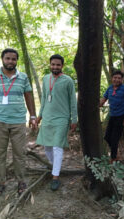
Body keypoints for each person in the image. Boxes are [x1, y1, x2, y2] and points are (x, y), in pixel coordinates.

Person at [0, 48, 37, 196]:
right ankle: (1, 183)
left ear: (16, 61)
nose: (10, 61)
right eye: (8, 58)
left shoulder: (23, 77)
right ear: (2, 59)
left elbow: (29, 97)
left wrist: (32, 116)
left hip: (18, 121)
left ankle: (21, 182)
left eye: (13, 59)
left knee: (20, 154)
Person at [36, 54, 77, 190]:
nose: (55, 67)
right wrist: (39, 116)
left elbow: (73, 101)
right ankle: (56, 167)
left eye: (58, 65)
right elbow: (43, 99)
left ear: (62, 66)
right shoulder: (46, 78)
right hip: (47, 117)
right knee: (47, 147)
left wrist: (74, 119)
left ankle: (55, 177)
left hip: (62, 118)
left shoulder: (68, 81)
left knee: (57, 147)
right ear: (50, 65)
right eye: (53, 64)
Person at [99, 70, 124, 162]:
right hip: (112, 116)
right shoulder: (110, 88)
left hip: (121, 116)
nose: (117, 80)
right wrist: (98, 104)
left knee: (114, 139)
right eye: (115, 78)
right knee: (107, 137)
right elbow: (103, 99)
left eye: (119, 78)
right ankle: (116, 152)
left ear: (122, 80)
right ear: (112, 78)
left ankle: (114, 158)